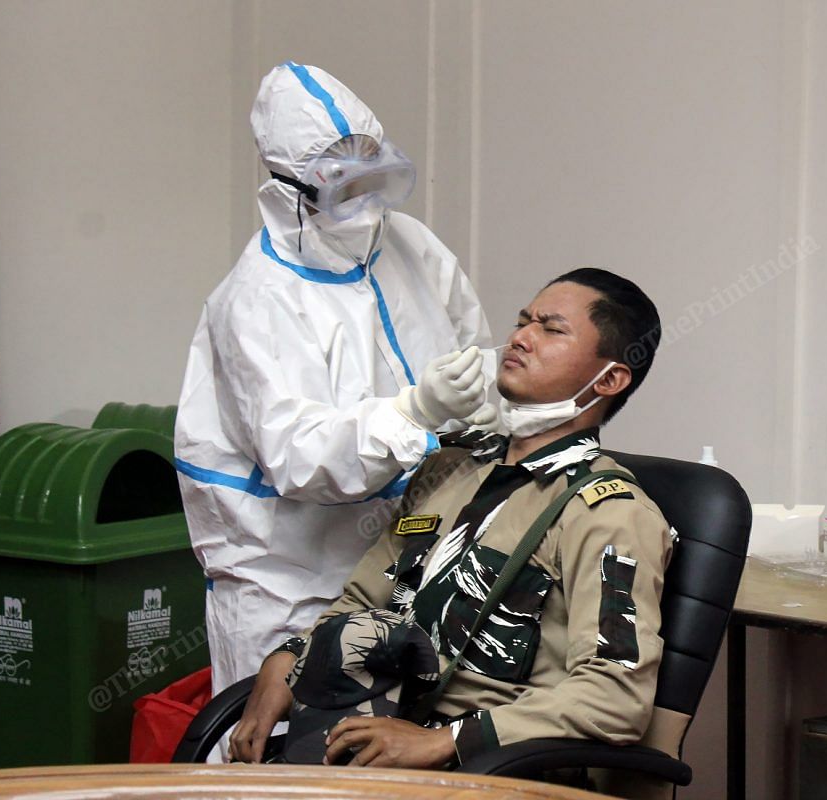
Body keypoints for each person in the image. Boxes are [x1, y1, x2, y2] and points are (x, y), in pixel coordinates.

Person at [230, 268, 670, 774]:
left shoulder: (609, 513)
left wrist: (446, 741)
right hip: (367, 732)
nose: (520, 337)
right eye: (523, 321)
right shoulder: (449, 468)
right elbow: (362, 601)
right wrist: (285, 662)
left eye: (551, 329)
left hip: (488, 768)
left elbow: (615, 697)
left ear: (611, 377)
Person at [175, 61, 495, 699]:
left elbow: (476, 350)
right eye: (347, 189)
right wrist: (413, 411)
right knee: (281, 772)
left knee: (381, 768)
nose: (370, 205)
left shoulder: (413, 248)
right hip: (287, 587)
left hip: (404, 570)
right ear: (291, 187)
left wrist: (483, 402)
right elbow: (298, 458)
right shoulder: (257, 300)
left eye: (378, 178)